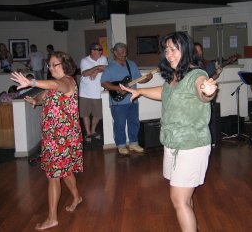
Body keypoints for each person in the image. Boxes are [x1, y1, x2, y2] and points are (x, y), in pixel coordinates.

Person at [120, 31, 218, 232]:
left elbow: (203, 92)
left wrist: (208, 92)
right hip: (173, 144)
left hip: (191, 145)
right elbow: (164, 92)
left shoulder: (197, 75)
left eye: (174, 49)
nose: (169, 54)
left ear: (187, 50)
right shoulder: (174, 76)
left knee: (178, 199)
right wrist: (140, 91)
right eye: (167, 49)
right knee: (184, 197)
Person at [11, 51, 83, 231]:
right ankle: (76, 197)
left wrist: (31, 82)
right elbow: (45, 95)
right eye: (49, 65)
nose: (50, 68)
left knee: (53, 176)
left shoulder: (67, 82)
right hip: (54, 138)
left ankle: (52, 218)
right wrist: (35, 100)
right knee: (64, 171)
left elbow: (55, 85)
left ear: (65, 65)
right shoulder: (53, 86)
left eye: (54, 64)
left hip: (62, 138)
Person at [100, 43, 153, 155]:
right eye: (121, 52)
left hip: (133, 99)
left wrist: (147, 78)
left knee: (134, 122)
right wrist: (117, 88)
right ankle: (121, 145)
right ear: (115, 53)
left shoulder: (132, 64)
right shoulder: (110, 68)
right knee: (119, 124)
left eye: (125, 52)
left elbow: (140, 79)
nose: (124, 54)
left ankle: (134, 143)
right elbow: (104, 83)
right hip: (118, 102)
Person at [193, 42, 223, 146]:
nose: (199, 52)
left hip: (205, 97)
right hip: (193, 98)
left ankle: (212, 140)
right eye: (196, 51)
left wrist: (217, 73)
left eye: (200, 50)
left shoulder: (207, 64)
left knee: (209, 118)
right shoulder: (189, 65)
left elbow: (211, 78)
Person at [79, 43, 108, 141]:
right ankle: (88, 133)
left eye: (101, 49)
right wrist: (96, 68)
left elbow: (105, 68)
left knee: (97, 115)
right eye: (98, 49)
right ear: (92, 51)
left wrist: (95, 71)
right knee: (85, 114)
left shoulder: (103, 58)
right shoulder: (84, 60)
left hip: (98, 92)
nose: (100, 51)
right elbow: (85, 73)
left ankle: (93, 130)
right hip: (85, 92)